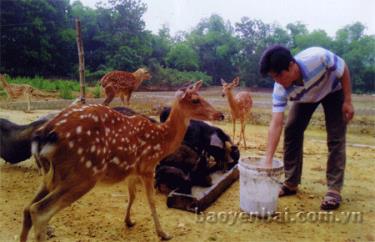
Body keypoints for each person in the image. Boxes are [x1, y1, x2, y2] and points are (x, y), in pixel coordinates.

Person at [259, 45, 354, 210]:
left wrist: (347, 100)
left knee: (336, 137)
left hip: (333, 90)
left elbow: (343, 67)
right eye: (273, 77)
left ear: (291, 65)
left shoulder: (319, 57)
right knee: (292, 130)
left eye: (279, 75)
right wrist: (268, 159)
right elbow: (276, 122)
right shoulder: (280, 89)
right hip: (304, 98)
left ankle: (334, 189)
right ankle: (291, 182)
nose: (277, 81)